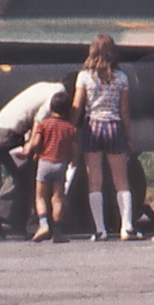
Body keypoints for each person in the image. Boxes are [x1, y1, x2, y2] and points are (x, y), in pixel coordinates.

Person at [73, 34, 136, 241]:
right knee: (121, 179)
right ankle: (126, 227)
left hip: (92, 126)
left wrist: (73, 128)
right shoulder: (121, 77)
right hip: (114, 125)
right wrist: (128, 135)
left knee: (95, 180)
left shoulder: (84, 77)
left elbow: (78, 106)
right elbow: (125, 110)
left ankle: (100, 229)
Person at [23, 90, 78, 242]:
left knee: (40, 195)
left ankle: (43, 224)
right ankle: (58, 231)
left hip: (44, 163)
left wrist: (34, 150)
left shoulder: (44, 124)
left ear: (51, 108)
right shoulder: (70, 128)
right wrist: (73, 160)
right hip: (60, 164)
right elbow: (74, 149)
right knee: (57, 197)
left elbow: (35, 143)